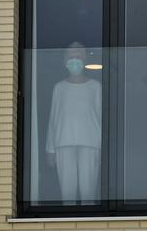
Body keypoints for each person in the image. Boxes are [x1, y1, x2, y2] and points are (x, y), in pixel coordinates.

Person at [45, 42, 102, 205]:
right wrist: (50, 149)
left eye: (78, 56)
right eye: (71, 57)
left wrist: (102, 148)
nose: (75, 60)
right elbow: (53, 119)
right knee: (67, 192)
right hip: (63, 142)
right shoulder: (59, 88)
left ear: (84, 59)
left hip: (90, 143)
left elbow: (101, 118)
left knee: (88, 191)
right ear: (65, 61)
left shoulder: (95, 87)